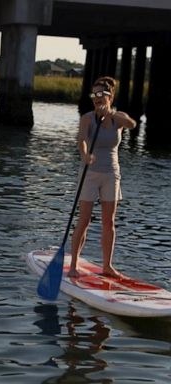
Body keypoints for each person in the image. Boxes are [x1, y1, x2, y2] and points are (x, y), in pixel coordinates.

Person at [68, 76, 137, 279]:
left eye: (101, 94)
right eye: (94, 95)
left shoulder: (118, 118)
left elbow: (132, 124)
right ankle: (73, 265)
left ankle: (107, 266)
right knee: (84, 220)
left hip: (111, 174)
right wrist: (84, 154)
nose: (96, 98)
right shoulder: (88, 118)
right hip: (89, 173)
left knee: (109, 222)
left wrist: (112, 114)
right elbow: (81, 140)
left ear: (110, 96)